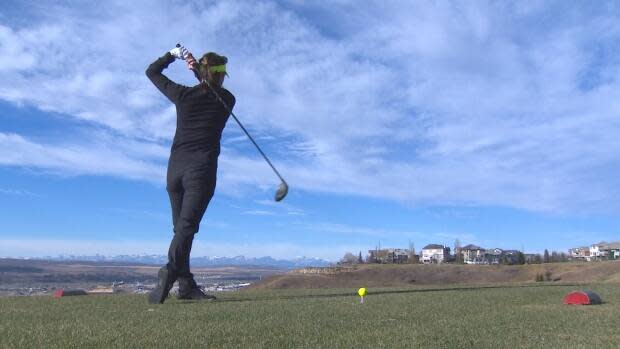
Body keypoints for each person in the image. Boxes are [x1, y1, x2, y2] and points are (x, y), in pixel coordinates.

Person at [145, 45, 235, 304]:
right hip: (201, 171)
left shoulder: (182, 96)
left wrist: (172, 55)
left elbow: (151, 72)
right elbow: (212, 89)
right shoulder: (227, 100)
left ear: (201, 72)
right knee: (186, 228)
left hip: (174, 172)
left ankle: (186, 287)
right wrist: (197, 70)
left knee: (181, 230)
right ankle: (169, 270)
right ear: (220, 75)